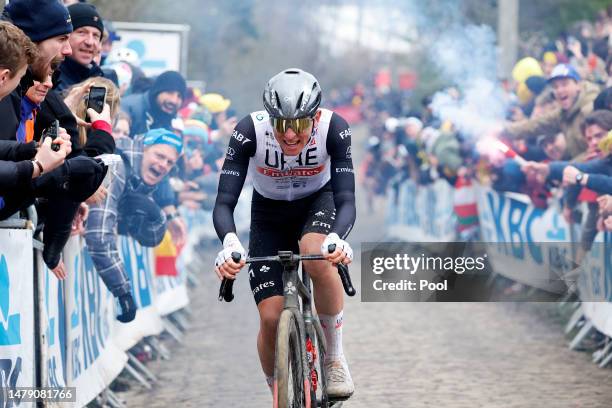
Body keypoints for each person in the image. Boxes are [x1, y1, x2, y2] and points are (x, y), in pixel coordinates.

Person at [213, 68, 356, 399]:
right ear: (269, 118)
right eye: (281, 125)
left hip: (319, 202)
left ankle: (334, 358)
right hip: (269, 214)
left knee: (317, 251)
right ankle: (277, 393)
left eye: (300, 125)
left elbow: (347, 199)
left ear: (316, 117)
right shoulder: (249, 131)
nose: (290, 135)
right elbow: (224, 203)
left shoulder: (335, 128)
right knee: (271, 317)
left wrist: (337, 237)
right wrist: (229, 242)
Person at [85, 128, 182, 322]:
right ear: (143, 149)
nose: (163, 165)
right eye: (159, 156)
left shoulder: (140, 178)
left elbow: (149, 238)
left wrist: (159, 217)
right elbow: (98, 235)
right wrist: (123, 292)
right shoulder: (117, 166)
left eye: (169, 162)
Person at [504, 63, 600, 159]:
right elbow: (537, 124)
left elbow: (596, 153)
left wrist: (558, 169)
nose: (559, 90)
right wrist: (504, 131)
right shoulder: (563, 113)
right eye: (555, 87)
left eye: (564, 84)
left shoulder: (592, 109)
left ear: (578, 85)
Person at [54, 3, 105, 92]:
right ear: (65, 36)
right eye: (82, 32)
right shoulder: (48, 79)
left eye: (96, 35)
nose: (90, 42)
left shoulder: (102, 80)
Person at [121, 70, 187, 137]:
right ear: (157, 92)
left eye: (179, 96)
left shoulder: (169, 118)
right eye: (170, 93)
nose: (174, 100)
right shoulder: (129, 108)